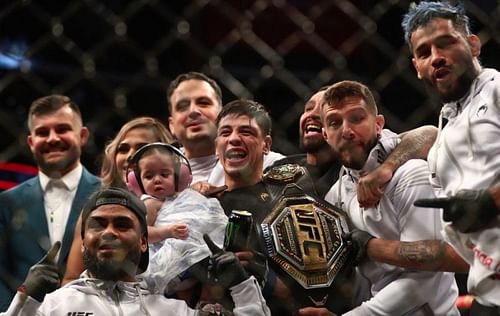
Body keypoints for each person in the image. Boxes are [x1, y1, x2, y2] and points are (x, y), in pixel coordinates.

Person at [2, 187, 271, 315]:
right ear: (83, 241)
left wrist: (241, 284)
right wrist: (25, 300)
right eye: (98, 225)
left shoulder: (174, 311)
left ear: (144, 241)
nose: (109, 232)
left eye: (122, 225)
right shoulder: (52, 306)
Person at [321, 80, 458, 315]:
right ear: (325, 135)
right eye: (335, 123)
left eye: (356, 118)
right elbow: (361, 274)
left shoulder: (411, 173)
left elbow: (425, 279)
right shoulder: (336, 195)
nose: (346, 130)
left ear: (378, 124)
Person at [402, 1, 500, 311]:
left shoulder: (497, 90)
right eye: (424, 52)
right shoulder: (444, 137)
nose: (436, 58)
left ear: (473, 44)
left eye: (446, 43)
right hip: (488, 292)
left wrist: (491, 201)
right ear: (416, 67)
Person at [0, 95, 101, 311]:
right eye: (42, 132)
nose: (52, 138)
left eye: (62, 129)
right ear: (30, 142)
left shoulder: (107, 195)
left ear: (82, 136)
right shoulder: (6, 203)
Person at [270, 86, 438, 199]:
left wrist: (386, 167)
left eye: (321, 111)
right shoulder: (282, 166)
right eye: (308, 108)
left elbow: (428, 133)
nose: (312, 115)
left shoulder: (353, 163)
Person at [62, 116, 174, 285]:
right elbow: (71, 279)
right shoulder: (95, 211)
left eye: (142, 148)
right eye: (123, 148)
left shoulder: (183, 204)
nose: (130, 155)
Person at [125, 142, 228, 294]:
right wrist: (167, 232)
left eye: (164, 174)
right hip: (168, 260)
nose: (157, 180)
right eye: (149, 176)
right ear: (138, 183)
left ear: (179, 177)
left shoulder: (185, 196)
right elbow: (143, 234)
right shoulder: (150, 203)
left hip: (197, 259)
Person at [166, 71, 284, 186]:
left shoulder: (269, 163)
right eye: (182, 106)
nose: (193, 111)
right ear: (171, 125)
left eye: (203, 103)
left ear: (221, 113)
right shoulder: (156, 173)